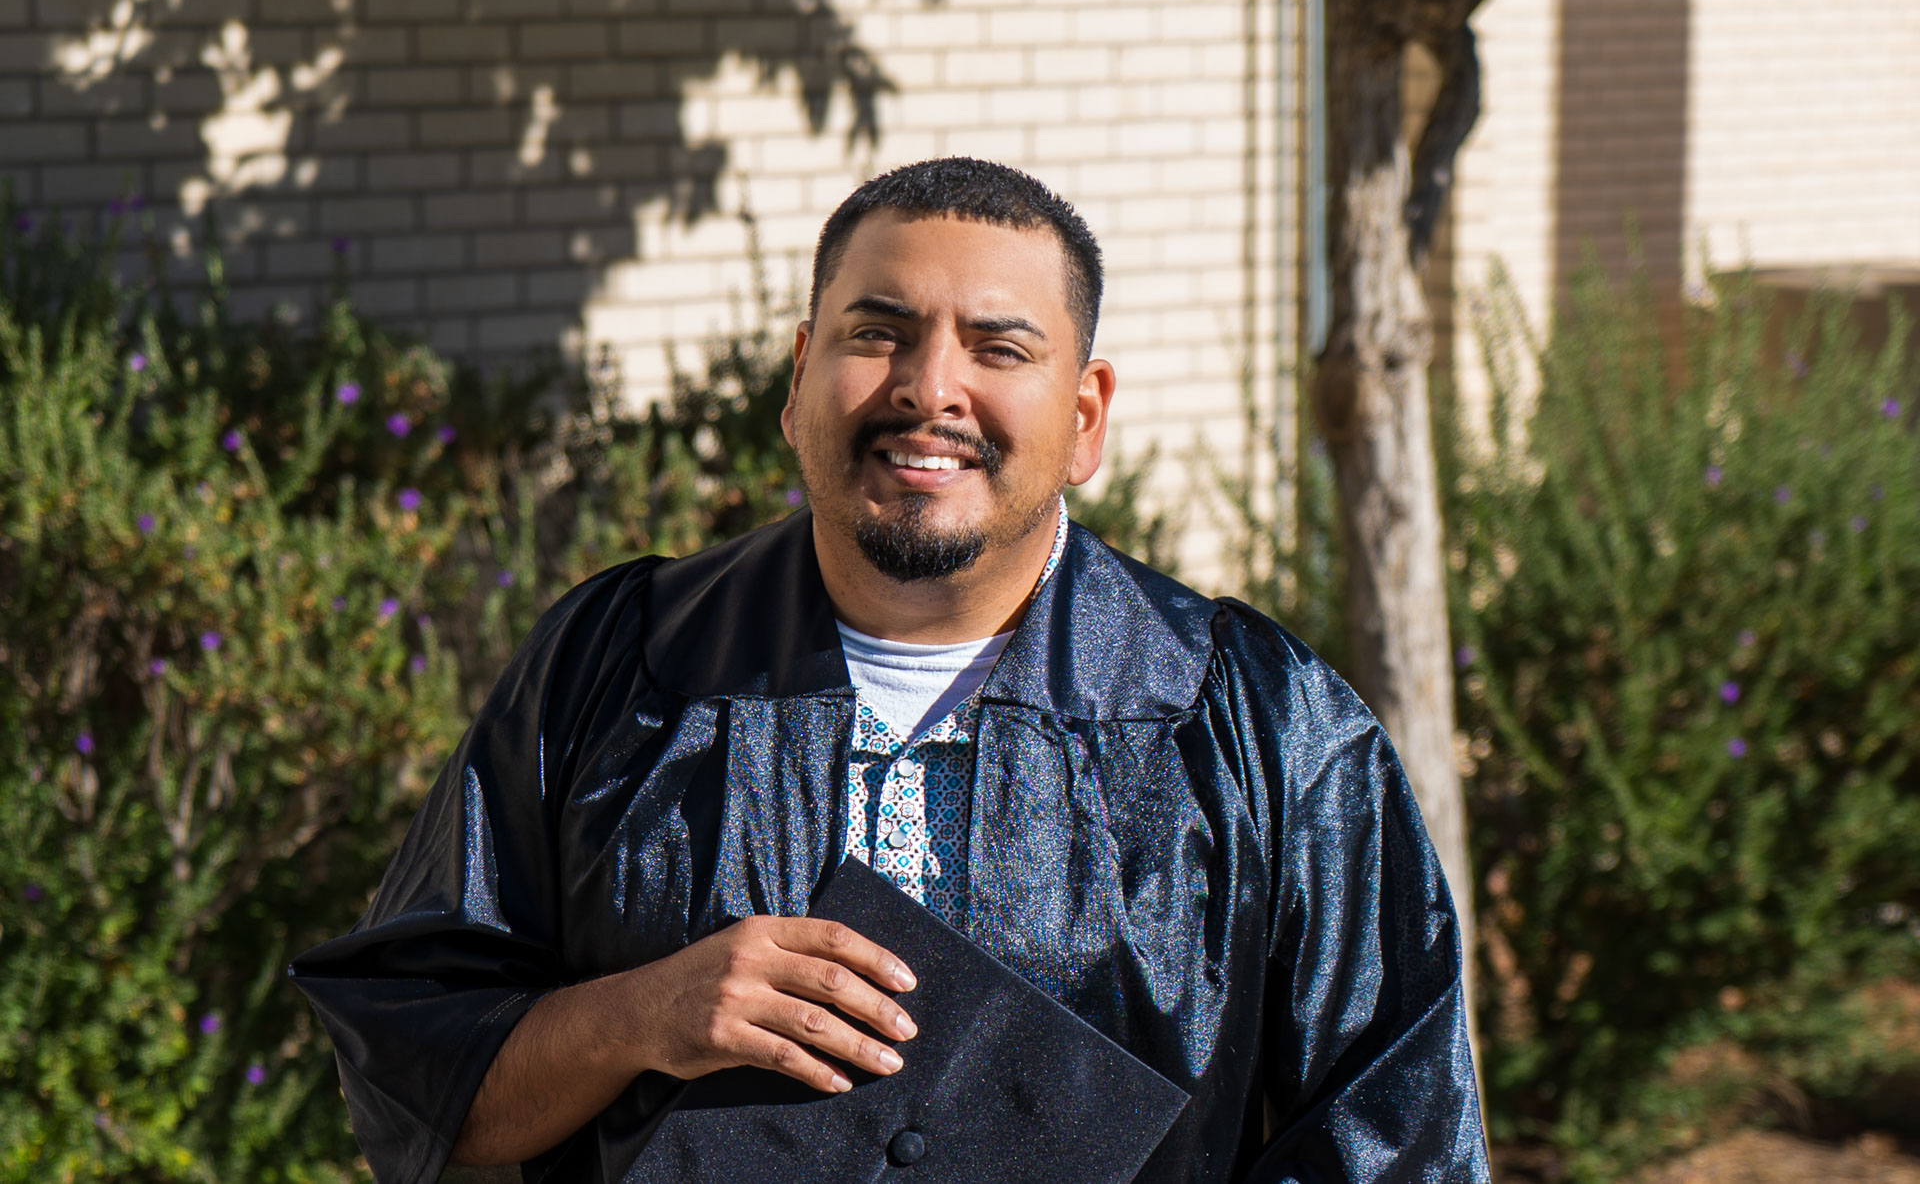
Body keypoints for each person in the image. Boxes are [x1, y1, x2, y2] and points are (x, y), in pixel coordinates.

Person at [291, 157, 1489, 1183]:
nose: (929, 387)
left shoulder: (1254, 727)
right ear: (800, 374)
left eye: (998, 346)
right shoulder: (621, 666)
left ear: (1085, 415)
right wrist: (641, 1013)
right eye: (878, 332)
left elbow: (1399, 1141)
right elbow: (419, 1080)